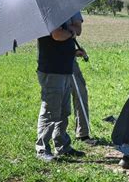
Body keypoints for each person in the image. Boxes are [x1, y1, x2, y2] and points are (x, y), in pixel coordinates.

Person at [35, 21, 85, 162]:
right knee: (50, 112)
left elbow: (60, 44)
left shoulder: (59, 14)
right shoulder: (48, 16)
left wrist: (74, 52)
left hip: (63, 69)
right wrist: (71, 32)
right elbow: (57, 35)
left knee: (63, 111)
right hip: (52, 70)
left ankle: (62, 146)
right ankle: (42, 149)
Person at [67, 12, 95, 144]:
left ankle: (82, 133)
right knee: (57, 102)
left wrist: (68, 32)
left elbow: (78, 30)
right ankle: (55, 140)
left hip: (69, 61)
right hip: (51, 64)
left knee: (80, 92)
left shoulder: (70, 6)